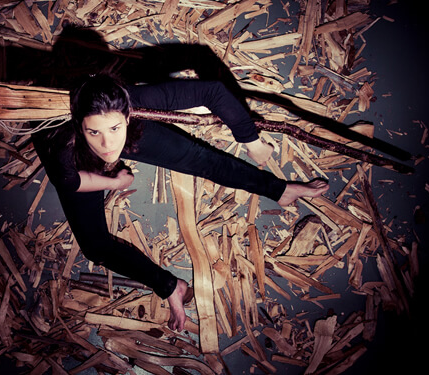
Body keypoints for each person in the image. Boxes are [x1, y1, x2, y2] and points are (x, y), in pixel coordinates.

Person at [31, 69, 329, 332]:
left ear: (127, 115)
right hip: (80, 161)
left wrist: (250, 139)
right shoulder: (60, 141)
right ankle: (171, 287)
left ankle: (280, 190)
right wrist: (115, 182)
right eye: (94, 131)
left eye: (114, 129)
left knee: (201, 159)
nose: (107, 145)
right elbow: (70, 181)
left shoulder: (134, 100)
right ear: (80, 125)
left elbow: (212, 91)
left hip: (130, 129)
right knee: (95, 247)